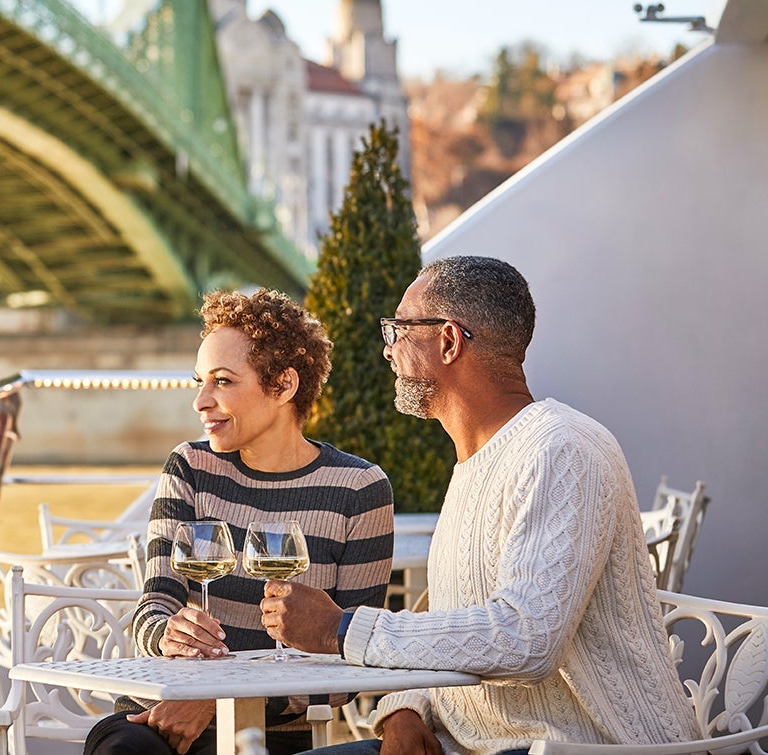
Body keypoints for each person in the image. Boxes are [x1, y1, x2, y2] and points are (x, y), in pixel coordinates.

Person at [260, 256, 701, 755]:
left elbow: (526, 637)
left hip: (590, 747)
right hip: (475, 743)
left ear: (448, 341)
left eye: (399, 329)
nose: (388, 351)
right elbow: (457, 624)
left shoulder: (561, 449)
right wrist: (406, 708)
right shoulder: (478, 462)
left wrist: (341, 628)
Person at [85, 289, 395, 755]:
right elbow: (153, 608)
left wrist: (218, 701)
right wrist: (168, 634)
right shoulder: (190, 467)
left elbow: (353, 663)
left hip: (273, 735)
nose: (200, 402)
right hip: (159, 717)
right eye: (200, 381)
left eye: (223, 381)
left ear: (284, 386)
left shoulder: (360, 488)